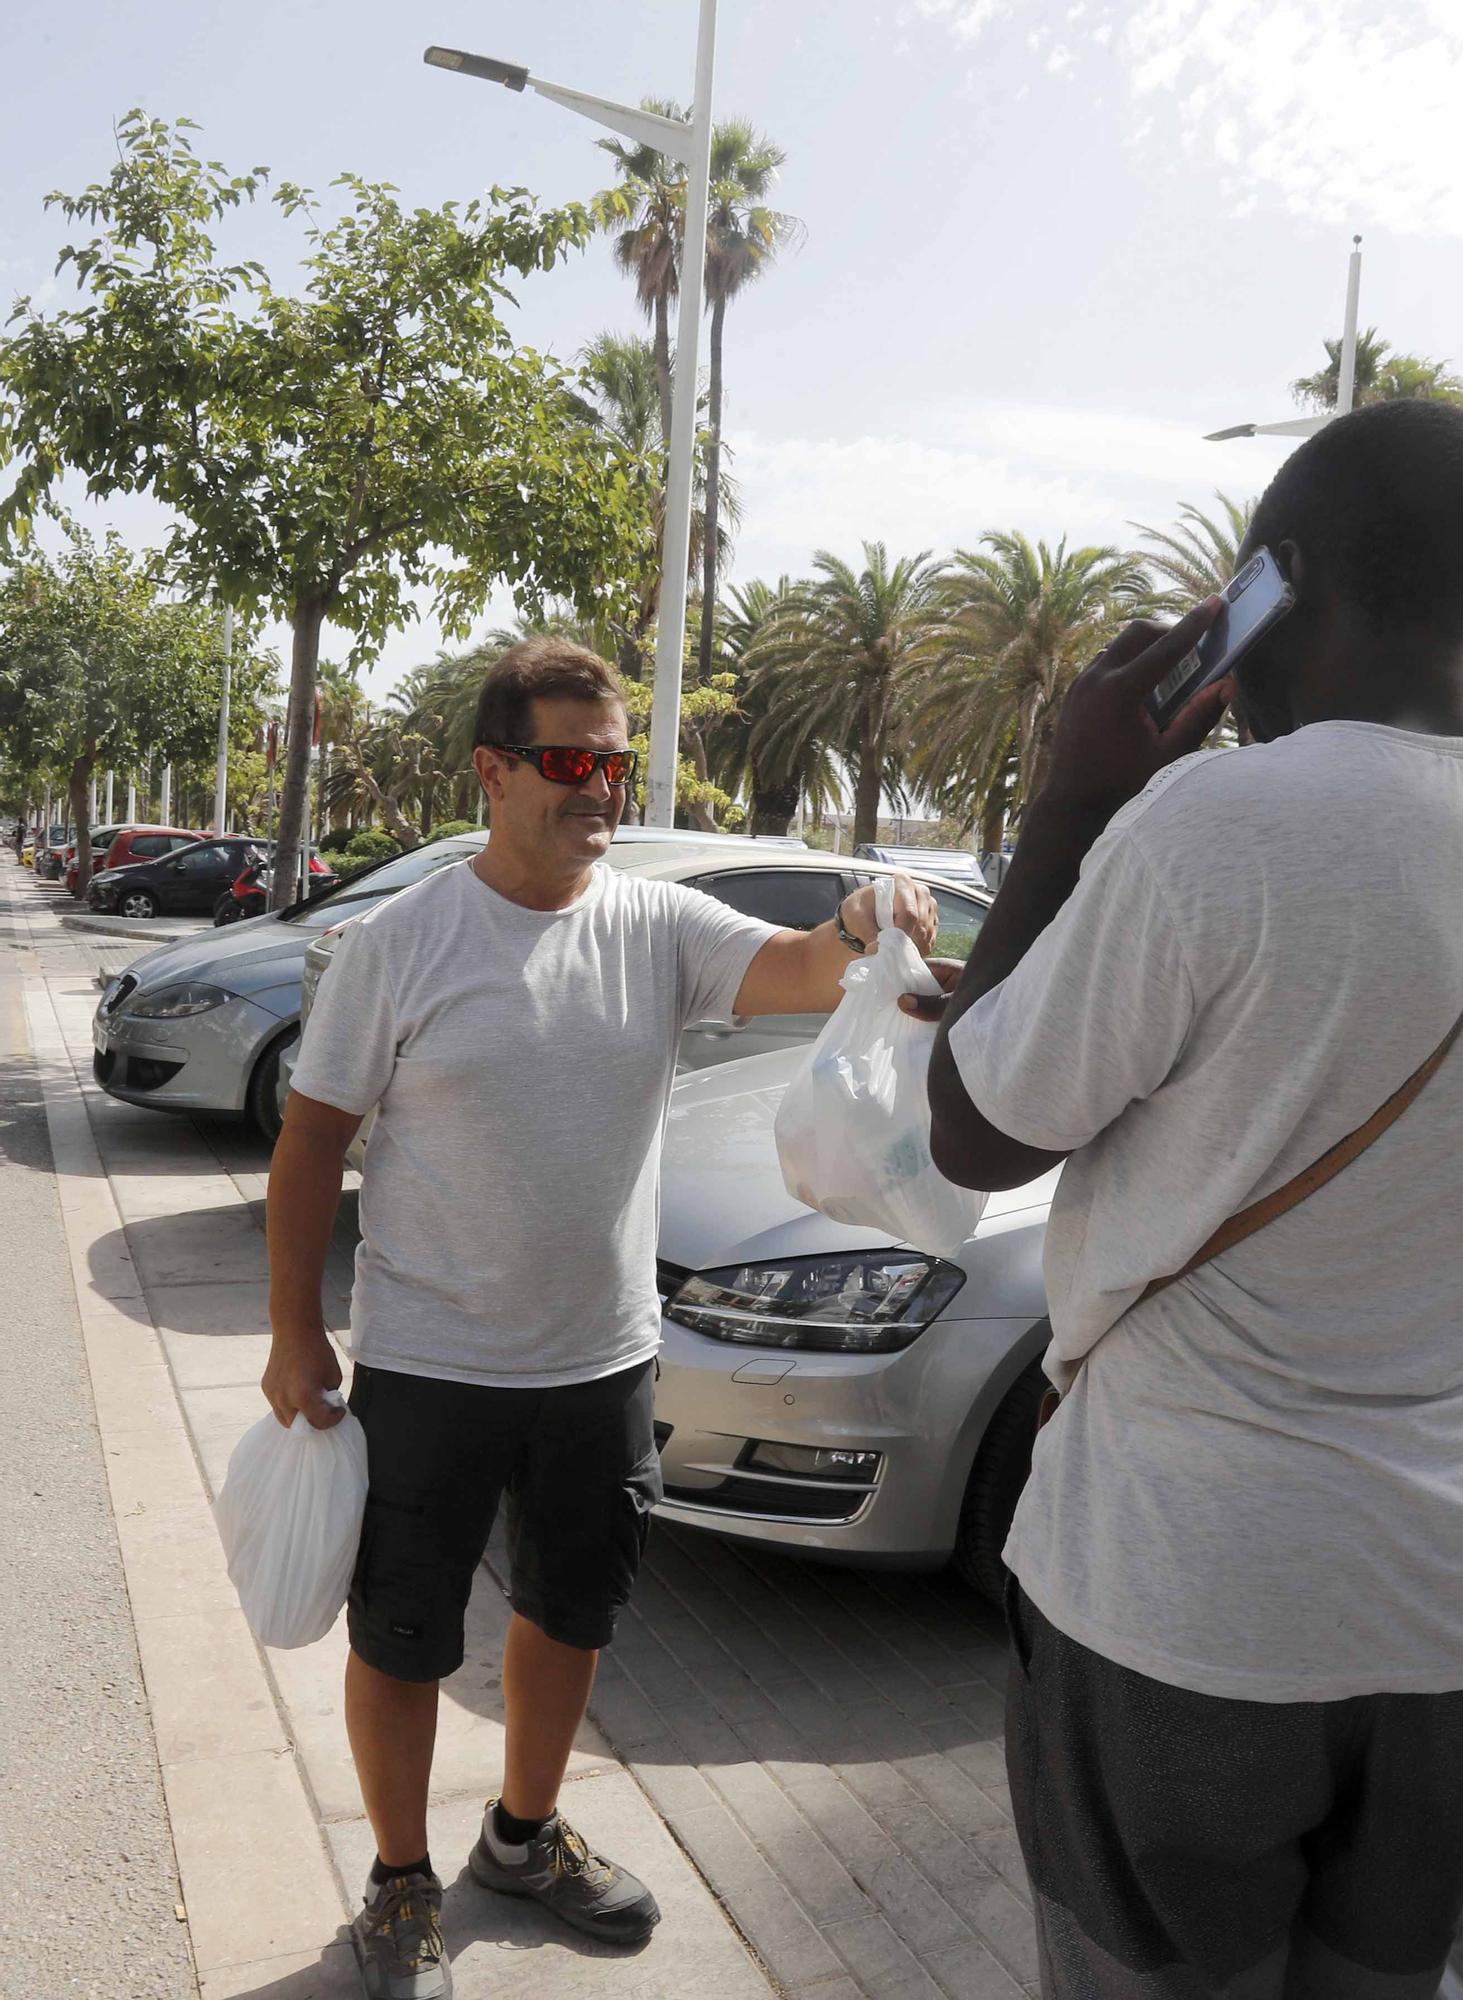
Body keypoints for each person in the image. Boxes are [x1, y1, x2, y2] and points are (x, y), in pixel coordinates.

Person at [264, 636, 938, 2000]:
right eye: (571, 762)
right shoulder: (401, 945)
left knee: (573, 1616)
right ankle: (400, 1885)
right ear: (495, 771)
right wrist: (292, 1332)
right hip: (431, 1364)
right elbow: (309, 1143)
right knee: (401, 1635)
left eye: (614, 762)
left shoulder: (654, 925)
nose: (598, 790)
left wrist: (867, 923)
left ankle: (518, 1841)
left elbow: (804, 973)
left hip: (604, 1366)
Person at [923, 399, 1463, 1998]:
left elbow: (976, 1131)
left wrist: (1072, 800)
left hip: (1184, 1599)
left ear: (1285, 588)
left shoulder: (1220, 823)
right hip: (1437, 1620)